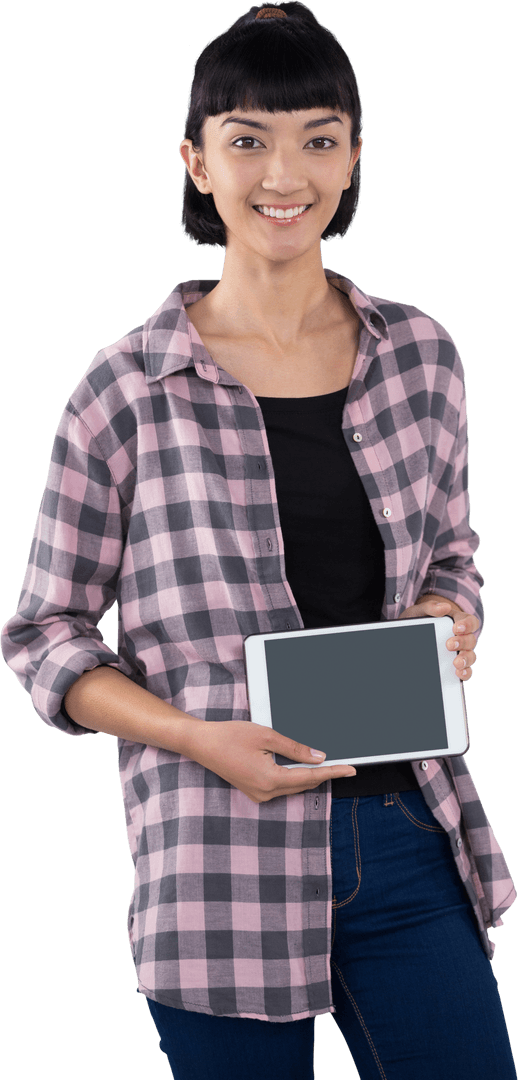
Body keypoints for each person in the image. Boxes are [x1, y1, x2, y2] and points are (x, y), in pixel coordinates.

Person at [1, 3, 516, 1078]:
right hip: (215, 859)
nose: (285, 173)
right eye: (247, 139)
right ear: (196, 161)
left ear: (352, 158)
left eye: (317, 138)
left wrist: (444, 617)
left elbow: (452, 558)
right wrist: (197, 737)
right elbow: (45, 634)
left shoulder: (420, 355)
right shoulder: (124, 388)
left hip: (405, 839)